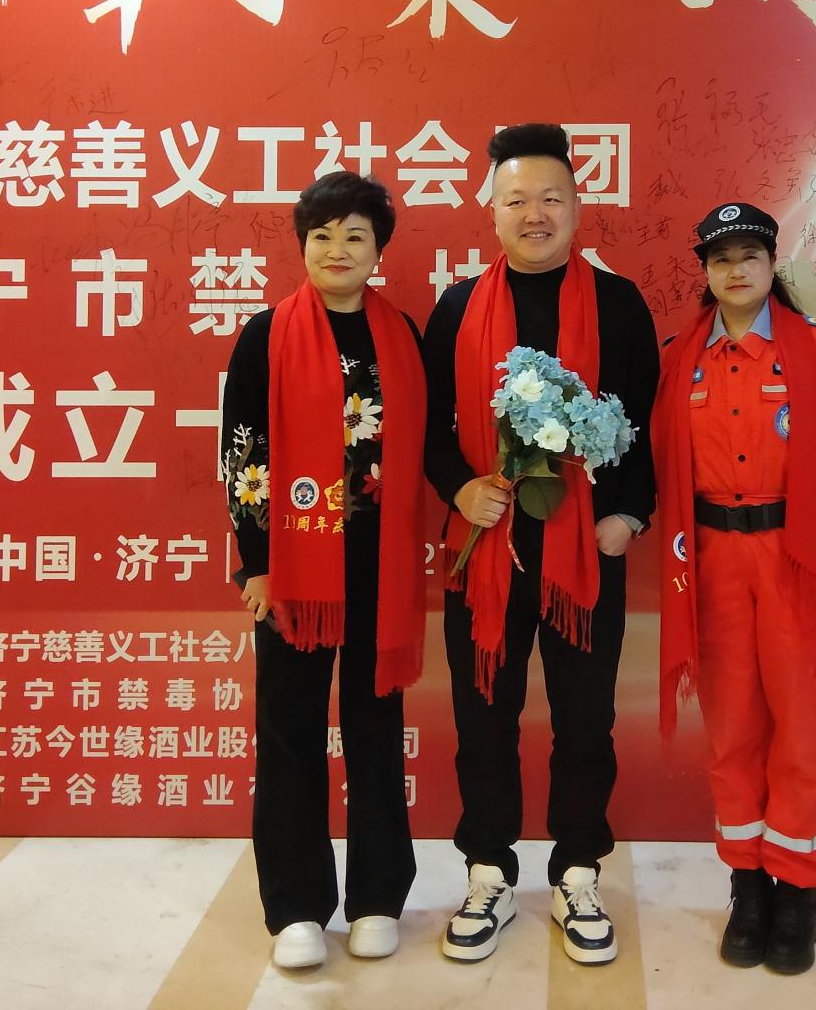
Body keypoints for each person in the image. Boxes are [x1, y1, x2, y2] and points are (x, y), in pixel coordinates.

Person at [422, 123, 658, 966]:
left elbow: (644, 424)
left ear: (577, 206)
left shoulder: (619, 304)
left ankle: (578, 870)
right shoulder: (457, 307)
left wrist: (627, 518)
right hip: (485, 547)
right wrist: (460, 486)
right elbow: (428, 426)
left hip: (583, 554)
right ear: (491, 211)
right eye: (517, 199)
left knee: (585, 719)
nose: (535, 214)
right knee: (483, 715)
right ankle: (488, 869)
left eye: (551, 197)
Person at [653, 202, 816, 976]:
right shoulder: (679, 358)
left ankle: (799, 893)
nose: (736, 269)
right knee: (733, 729)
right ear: (705, 270)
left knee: (804, 728)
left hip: (799, 560)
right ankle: (748, 887)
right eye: (721, 257)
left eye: (749, 255)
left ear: (770, 264)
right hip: (713, 560)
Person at [220, 170, 427, 971]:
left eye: (355, 236)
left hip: (380, 565)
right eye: (322, 236)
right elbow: (243, 454)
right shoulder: (265, 334)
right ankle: (297, 905)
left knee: (376, 729)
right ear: (302, 244)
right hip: (295, 568)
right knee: (290, 731)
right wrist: (257, 564)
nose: (337, 250)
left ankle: (377, 896)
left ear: (378, 249)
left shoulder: (400, 333)